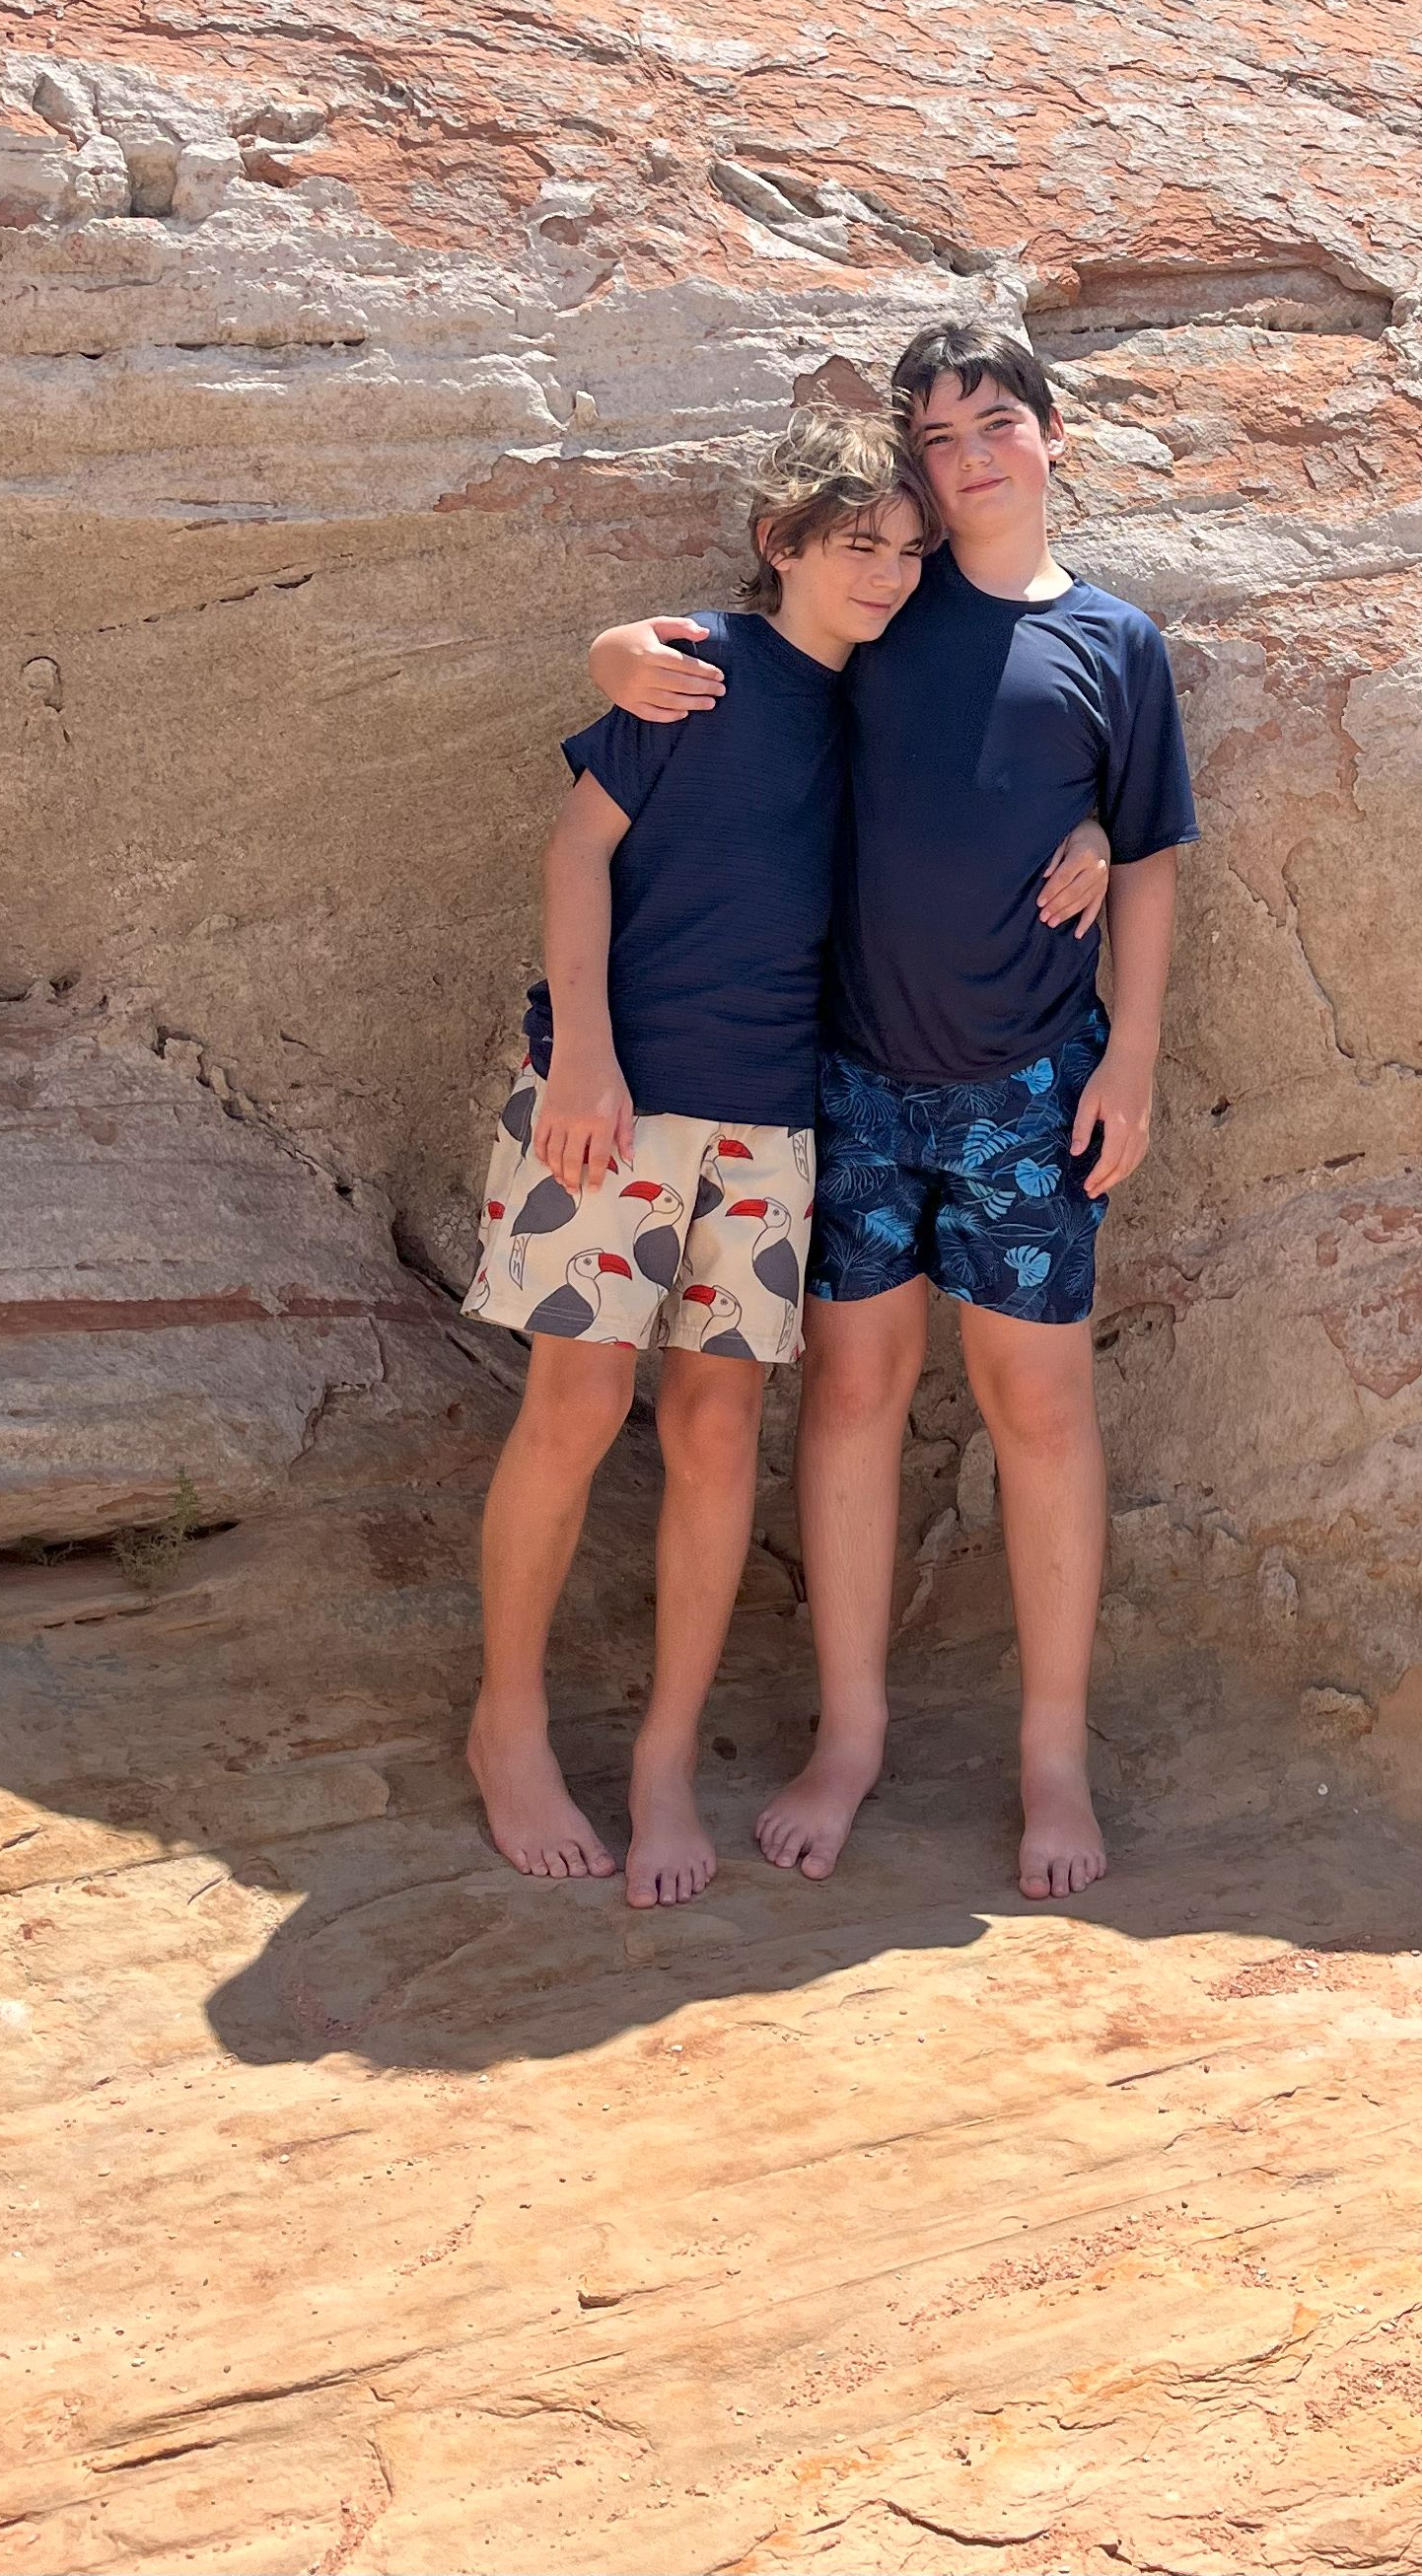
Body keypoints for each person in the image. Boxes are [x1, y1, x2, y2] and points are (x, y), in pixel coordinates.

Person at [585, 315, 1195, 1901]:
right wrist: (609, 657)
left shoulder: (1115, 645)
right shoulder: (888, 606)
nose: (970, 456)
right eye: (937, 437)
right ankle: (848, 1735)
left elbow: (1147, 854)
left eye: (997, 422)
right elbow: (722, 654)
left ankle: (1050, 1757)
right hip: (852, 1083)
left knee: (1039, 1406)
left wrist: (1132, 1056)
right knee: (850, 1397)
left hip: (1033, 1088)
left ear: (1051, 436)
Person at [462, 408, 1106, 1907]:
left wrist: (1090, 827)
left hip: (777, 1124)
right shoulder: (702, 670)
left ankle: (666, 1762)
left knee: (714, 1433)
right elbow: (576, 853)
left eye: (907, 550)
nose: (888, 575)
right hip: (611, 1100)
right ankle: (509, 1726)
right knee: (570, 1409)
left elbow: (1010, 756)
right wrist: (589, 1054)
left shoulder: (885, 701)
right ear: (782, 546)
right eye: (857, 546)